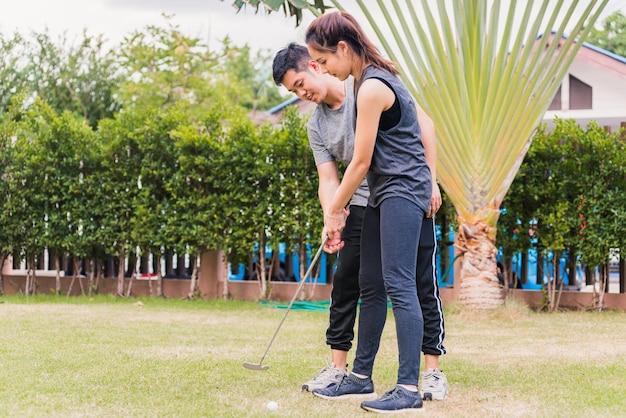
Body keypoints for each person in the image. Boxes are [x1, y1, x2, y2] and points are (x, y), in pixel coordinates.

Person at [272, 43, 448, 402]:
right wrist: (331, 216)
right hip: (364, 203)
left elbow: (423, 124)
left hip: (404, 191)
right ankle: (353, 372)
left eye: (301, 82)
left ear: (316, 65)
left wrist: (431, 179)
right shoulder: (317, 125)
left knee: (417, 282)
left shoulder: (366, 86)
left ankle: (430, 372)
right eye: (294, 92)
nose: (302, 93)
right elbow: (328, 179)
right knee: (359, 283)